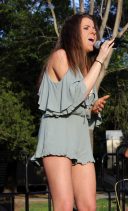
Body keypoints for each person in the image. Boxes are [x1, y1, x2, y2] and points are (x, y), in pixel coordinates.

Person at [31, 14, 114, 211]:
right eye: (86, 28)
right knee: (65, 205)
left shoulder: (85, 67)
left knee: (88, 206)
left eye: (94, 28)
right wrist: (100, 59)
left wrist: (92, 109)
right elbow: (77, 94)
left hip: (80, 138)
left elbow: (78, 103)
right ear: (72, 34)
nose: (93, 31)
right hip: (58, 133)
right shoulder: (60, 56)